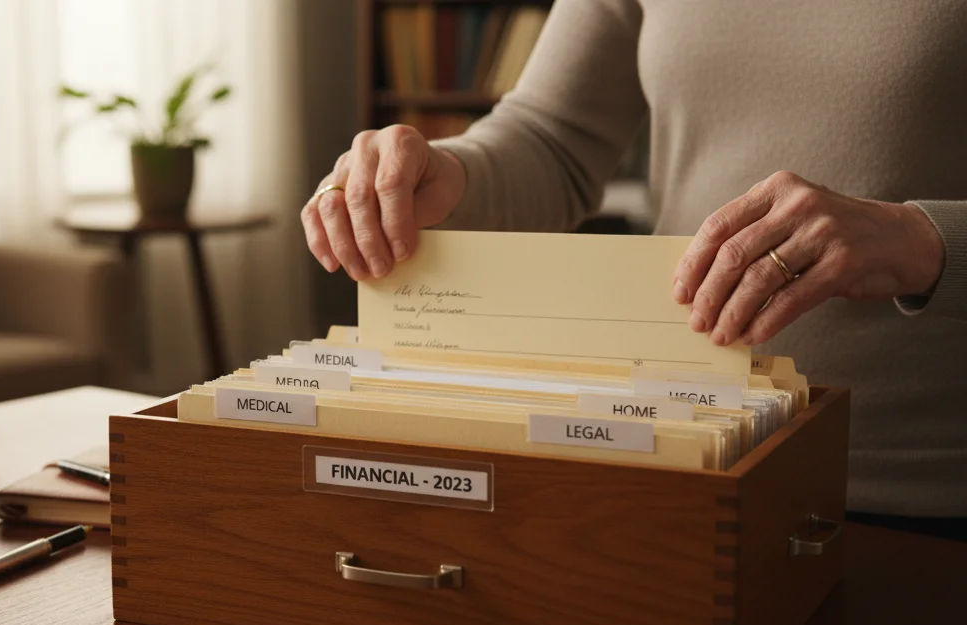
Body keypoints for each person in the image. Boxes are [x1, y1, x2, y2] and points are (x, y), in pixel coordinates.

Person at [301, 1, 967, 524]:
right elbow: (553, 136)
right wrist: (445, 171)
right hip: (688, 454)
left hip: (919, 490)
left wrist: (919, 239)